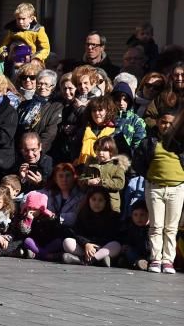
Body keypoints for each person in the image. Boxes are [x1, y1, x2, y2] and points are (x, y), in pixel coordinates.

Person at [133, 110, 184, 274]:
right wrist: (149, 176)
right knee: (156, 225)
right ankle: (155, 258)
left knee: (171, 227)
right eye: (163, 122)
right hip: (155, 188)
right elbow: (138, 161)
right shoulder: (149, 142)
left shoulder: (181, 143)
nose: (166, 126)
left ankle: (168, 260)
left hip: (176, 188)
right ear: (157, 122)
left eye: (170, 123)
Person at [61, 187, 121, 266]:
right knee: (67, 242)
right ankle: (98, 259)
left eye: (100, 200)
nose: (96, 203)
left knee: (116, 245)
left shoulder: (112, 216)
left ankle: (83, 260)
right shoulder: (83, 214)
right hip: (86, 247)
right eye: (93, 199)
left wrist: (97, 246)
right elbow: (78, 233)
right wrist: (87, 244)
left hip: (102, 246)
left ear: (106, 202)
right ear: (89, 200)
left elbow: (112, 235)